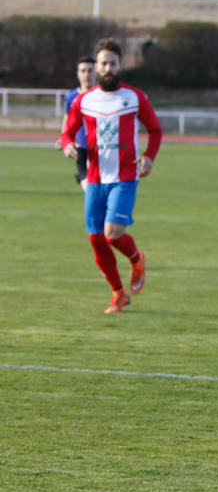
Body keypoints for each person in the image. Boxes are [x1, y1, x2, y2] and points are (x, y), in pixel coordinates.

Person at [60, 37, 162, 314]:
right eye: (103, 63)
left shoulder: (134, 97)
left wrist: (149, 157)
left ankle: (136, 257)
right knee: (96, 239)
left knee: (113, 233)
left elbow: (155, 129)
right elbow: (67, 131)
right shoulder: (84, 100)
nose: (107, 68)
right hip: (94, 178)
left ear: (119, 65)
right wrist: (68, 144)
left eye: (112, 63)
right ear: (97, 66)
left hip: (125, 175)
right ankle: (118, 293)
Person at [55, 55, 96, 191]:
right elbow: (67, 118)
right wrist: (63, 138)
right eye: (83, 71)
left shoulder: (103, 95)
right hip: (81, 146)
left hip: (101, 147)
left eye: (90, 70)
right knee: (89, 187)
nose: (87, 74)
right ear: (78, 74)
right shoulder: (71, 96)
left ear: (96, 71)